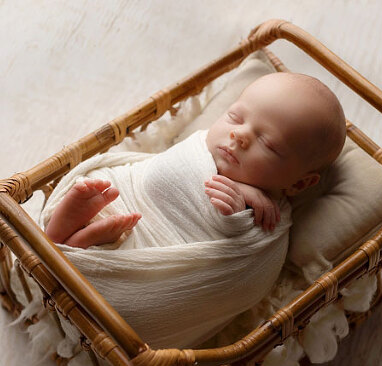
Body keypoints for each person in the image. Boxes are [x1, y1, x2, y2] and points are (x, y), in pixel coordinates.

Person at [44, 72, 346, 247]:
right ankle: (63, 234)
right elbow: (164, 171)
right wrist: (241, 188)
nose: (239, 135)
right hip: (134, 200)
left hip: (155, 252)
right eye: (235, 117)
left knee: (128, 262)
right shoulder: (200, 147)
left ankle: (71, 245)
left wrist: (236, 219)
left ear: (300, 183)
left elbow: (238, 263)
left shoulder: (272, 218)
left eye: (267, 143)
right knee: (105, 192)